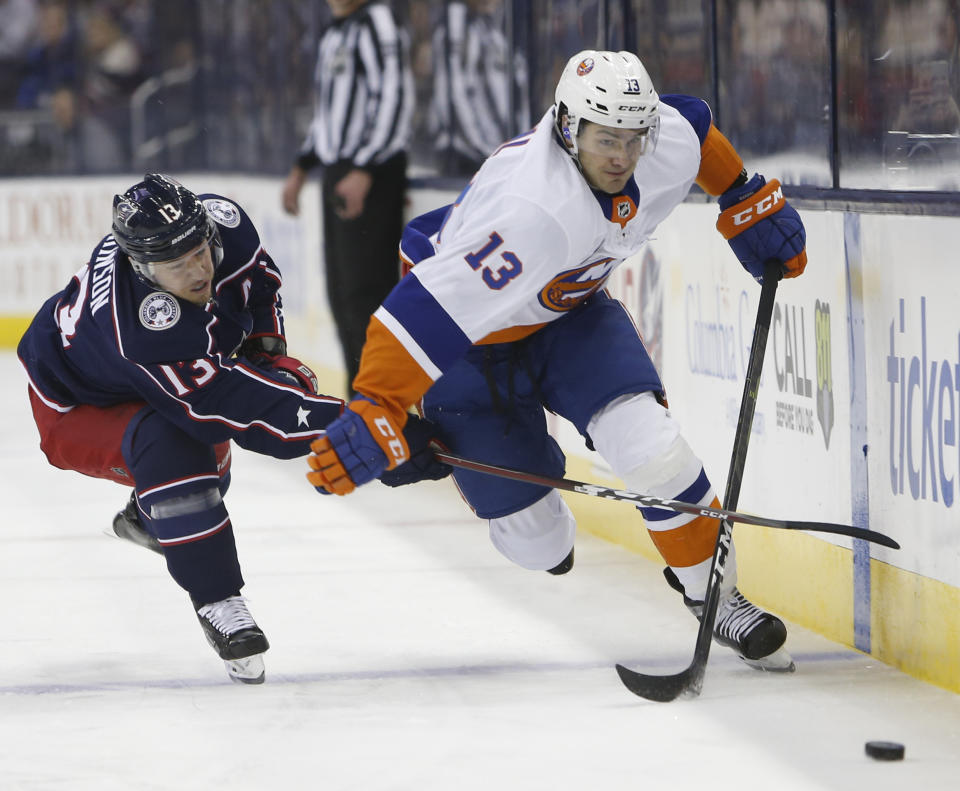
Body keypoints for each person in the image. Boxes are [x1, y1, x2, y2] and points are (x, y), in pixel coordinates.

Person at [306, 50, 808, 671]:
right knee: (542, 545)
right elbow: (422, 313)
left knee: (652, 447)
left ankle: (715, 594)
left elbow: (693, 129)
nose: (622, 157)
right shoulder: (531, 212)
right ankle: (480, 476)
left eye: (632, 138)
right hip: (475, 350)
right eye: (605, 140)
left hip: (569, 317)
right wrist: (379, 405)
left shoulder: (656, 142)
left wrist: (742, 196)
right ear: (569, 128)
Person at [17, 174, 346, 684]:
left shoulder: (221, 220)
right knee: (175, 443)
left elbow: (257, 281)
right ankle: (218, 601)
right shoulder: (144, 328)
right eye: (177, 265)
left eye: (201, 252)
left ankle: (150, 519)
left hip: (127, 372)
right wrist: (357, 428)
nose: (198, 270)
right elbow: (248, 411)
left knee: (199, 452)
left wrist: (267, 350)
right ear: (142, 267)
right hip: (74, 409)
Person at [281, 0, 414, 397]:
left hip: (371, 174)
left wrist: (366, 168)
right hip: (340, 171)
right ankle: (361, 397)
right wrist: (303, 164)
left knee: (366, 292)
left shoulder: (378, 22)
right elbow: (327, 113)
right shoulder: (336, 31)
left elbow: (395, 97)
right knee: (341, 294)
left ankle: (382, 402)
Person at [429, 0, 530, 176]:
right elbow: (454, 95)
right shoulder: (456, 25)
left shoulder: (489, 25)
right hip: (469, 158)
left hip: (497, 153)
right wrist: (486, 151)